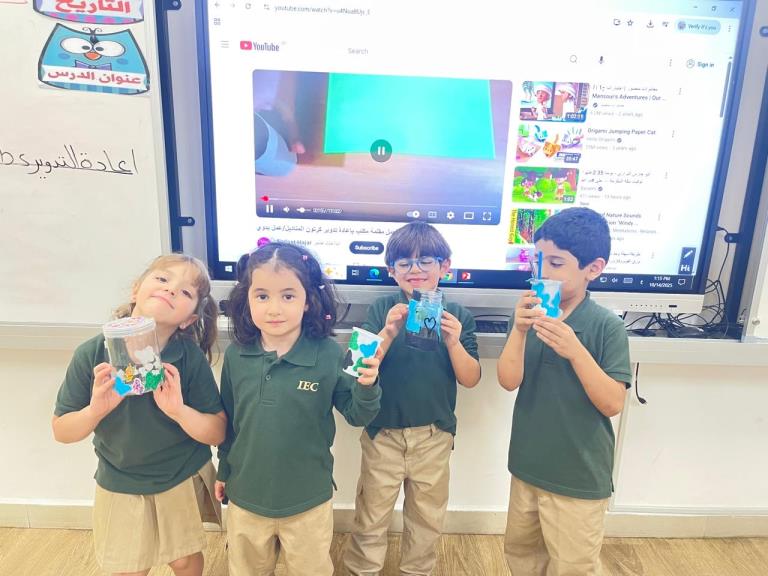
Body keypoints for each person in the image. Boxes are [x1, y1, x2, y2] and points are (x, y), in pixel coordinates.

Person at [52, 254, 226, 576]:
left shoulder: (187, 358)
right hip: (120, 478)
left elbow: (217, 431)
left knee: (184, 559)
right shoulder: (92, 354)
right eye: (162, 279)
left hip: (180, 474)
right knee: (128, 567)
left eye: (185, 292)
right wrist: (94, 411)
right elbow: (62, 430)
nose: (171, 289)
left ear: (188, 319)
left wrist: (179, 411)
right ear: (136, 290)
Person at [216, 242, 382, 576]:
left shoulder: (329, 354)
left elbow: (357, 415)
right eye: (262, 296)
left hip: (308, 500)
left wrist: (368, 385)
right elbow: (231, 423)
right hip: (246, 496)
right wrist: (224, 470)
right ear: (247, 300)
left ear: (308, 301)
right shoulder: (236, 355)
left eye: (288, 296)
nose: (274, 308)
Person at [497, 208, 632, 576]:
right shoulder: (527, 315)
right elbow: (508, 381)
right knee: (521, 555)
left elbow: (612, 403)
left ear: (594, 268)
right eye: (537, 260)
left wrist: (575, 351)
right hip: (526, 466)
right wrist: (519, 331)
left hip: (579, 475)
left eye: (556, 263)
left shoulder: (606, 326)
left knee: (573, 565)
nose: (542, 271)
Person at [344, 221, 481, 576]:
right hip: (383, 435)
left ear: (445, 266)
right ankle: (362, 570)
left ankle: (417, 571)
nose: (415, 269)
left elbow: (471, 378)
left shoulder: (458, 315)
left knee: (427, 520)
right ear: (391, 271)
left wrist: (453, 341)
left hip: (434, 436)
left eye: (426, 261)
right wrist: (388, 331)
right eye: (404, 263)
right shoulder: (381, 307)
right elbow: (356, 364)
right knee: (371, 516)